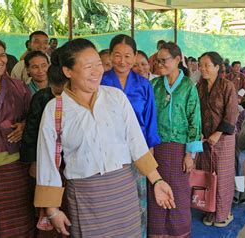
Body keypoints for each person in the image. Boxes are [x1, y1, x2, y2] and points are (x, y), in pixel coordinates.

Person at [35, 38, 175, 237]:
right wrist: (52, 210)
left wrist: (157, 181)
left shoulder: (116, 97)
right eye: (88, 67)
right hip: (86, 197)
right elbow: (48, 161)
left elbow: (136, 142)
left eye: (99, 65)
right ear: (68, 71)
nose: (96, 72)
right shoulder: (55, 110)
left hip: (124, 189)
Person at [101, 34, 161, 238]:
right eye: (117, 55)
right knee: (112, 204)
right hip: (108, 153)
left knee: (138, 202)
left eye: (128, 56)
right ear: (109, 55)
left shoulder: (144, 85)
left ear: (135, 56)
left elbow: (150, 121)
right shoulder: (100, 81)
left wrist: (149, 153)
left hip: (138, 153)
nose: (122, 61)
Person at [150, 42, 202, 238]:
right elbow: (149, 118)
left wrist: (190, 153)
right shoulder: (154, 85)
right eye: (157, 61)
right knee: (156, 190)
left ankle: (177, 232)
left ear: (178, 60)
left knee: (179, 194)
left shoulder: (188, 87)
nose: (159, 64)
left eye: (164, 60)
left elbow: (194, 121)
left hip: (180, 150)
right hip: (157, 149)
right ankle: (157, 232)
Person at [0, 37, 34, 238]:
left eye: (1, 54)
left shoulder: (18, 86)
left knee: (19, 223)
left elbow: (33, 116)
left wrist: (25, 125)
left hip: (15, 166)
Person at [196, 51, 239, 227]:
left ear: (217, 67)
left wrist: (217, 133)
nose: (202, 68)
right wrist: (198, 131)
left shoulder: (227, 86)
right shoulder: (199, 86)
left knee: (222, 176)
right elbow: (195, 110)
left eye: (206, 65)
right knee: (207, 174)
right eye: (200, 65)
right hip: (205, 138)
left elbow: (231, 114)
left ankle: (222, 213)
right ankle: (209, 210)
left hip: (223, 138)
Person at [20, 48, 67, 177]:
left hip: (69, 156)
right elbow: (32, 131)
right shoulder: (39, 97)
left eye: (44, 66)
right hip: (45, 153)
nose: (41, 71)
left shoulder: (75, 97)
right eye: (35, 67)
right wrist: (33, 161)